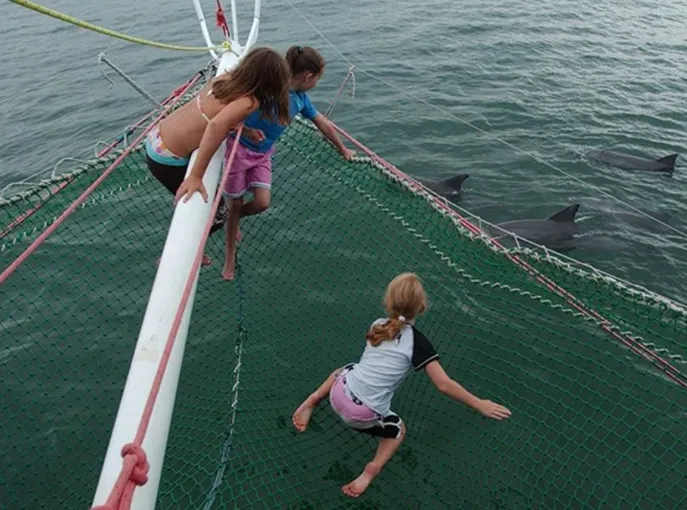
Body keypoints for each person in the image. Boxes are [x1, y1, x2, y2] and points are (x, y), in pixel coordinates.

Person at [291, 273, 511, 498]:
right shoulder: (419, 343)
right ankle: (371, 470)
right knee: (398, 430)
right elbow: (443, 384)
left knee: (345, 369)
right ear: (422, 307)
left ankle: (311, 401)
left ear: (388, 301)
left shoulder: (378, 324)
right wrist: (479, 403)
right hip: (359, 415)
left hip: (337, 394)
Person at [143, 46, 290, 265]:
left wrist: (247, 131)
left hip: (157, 137)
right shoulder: (250, 101)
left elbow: (218, 114)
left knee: (213, 208)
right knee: (219, 213)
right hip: (168, 158)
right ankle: (179, 255)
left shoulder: (226, 78)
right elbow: (215, 126)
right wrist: (195, 175)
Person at [219, 45, 355, 280]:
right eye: (317, 80)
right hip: (238, 152)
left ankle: (232, 216)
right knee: (237, 201)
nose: (315, 84)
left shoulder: (301, 100)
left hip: (262, 156)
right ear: (308, 76)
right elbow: (229, 115)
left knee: (262, 203)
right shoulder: (268, 89)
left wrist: (343, 149)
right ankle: (229, 256)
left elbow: (322, 123)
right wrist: (248, 131)